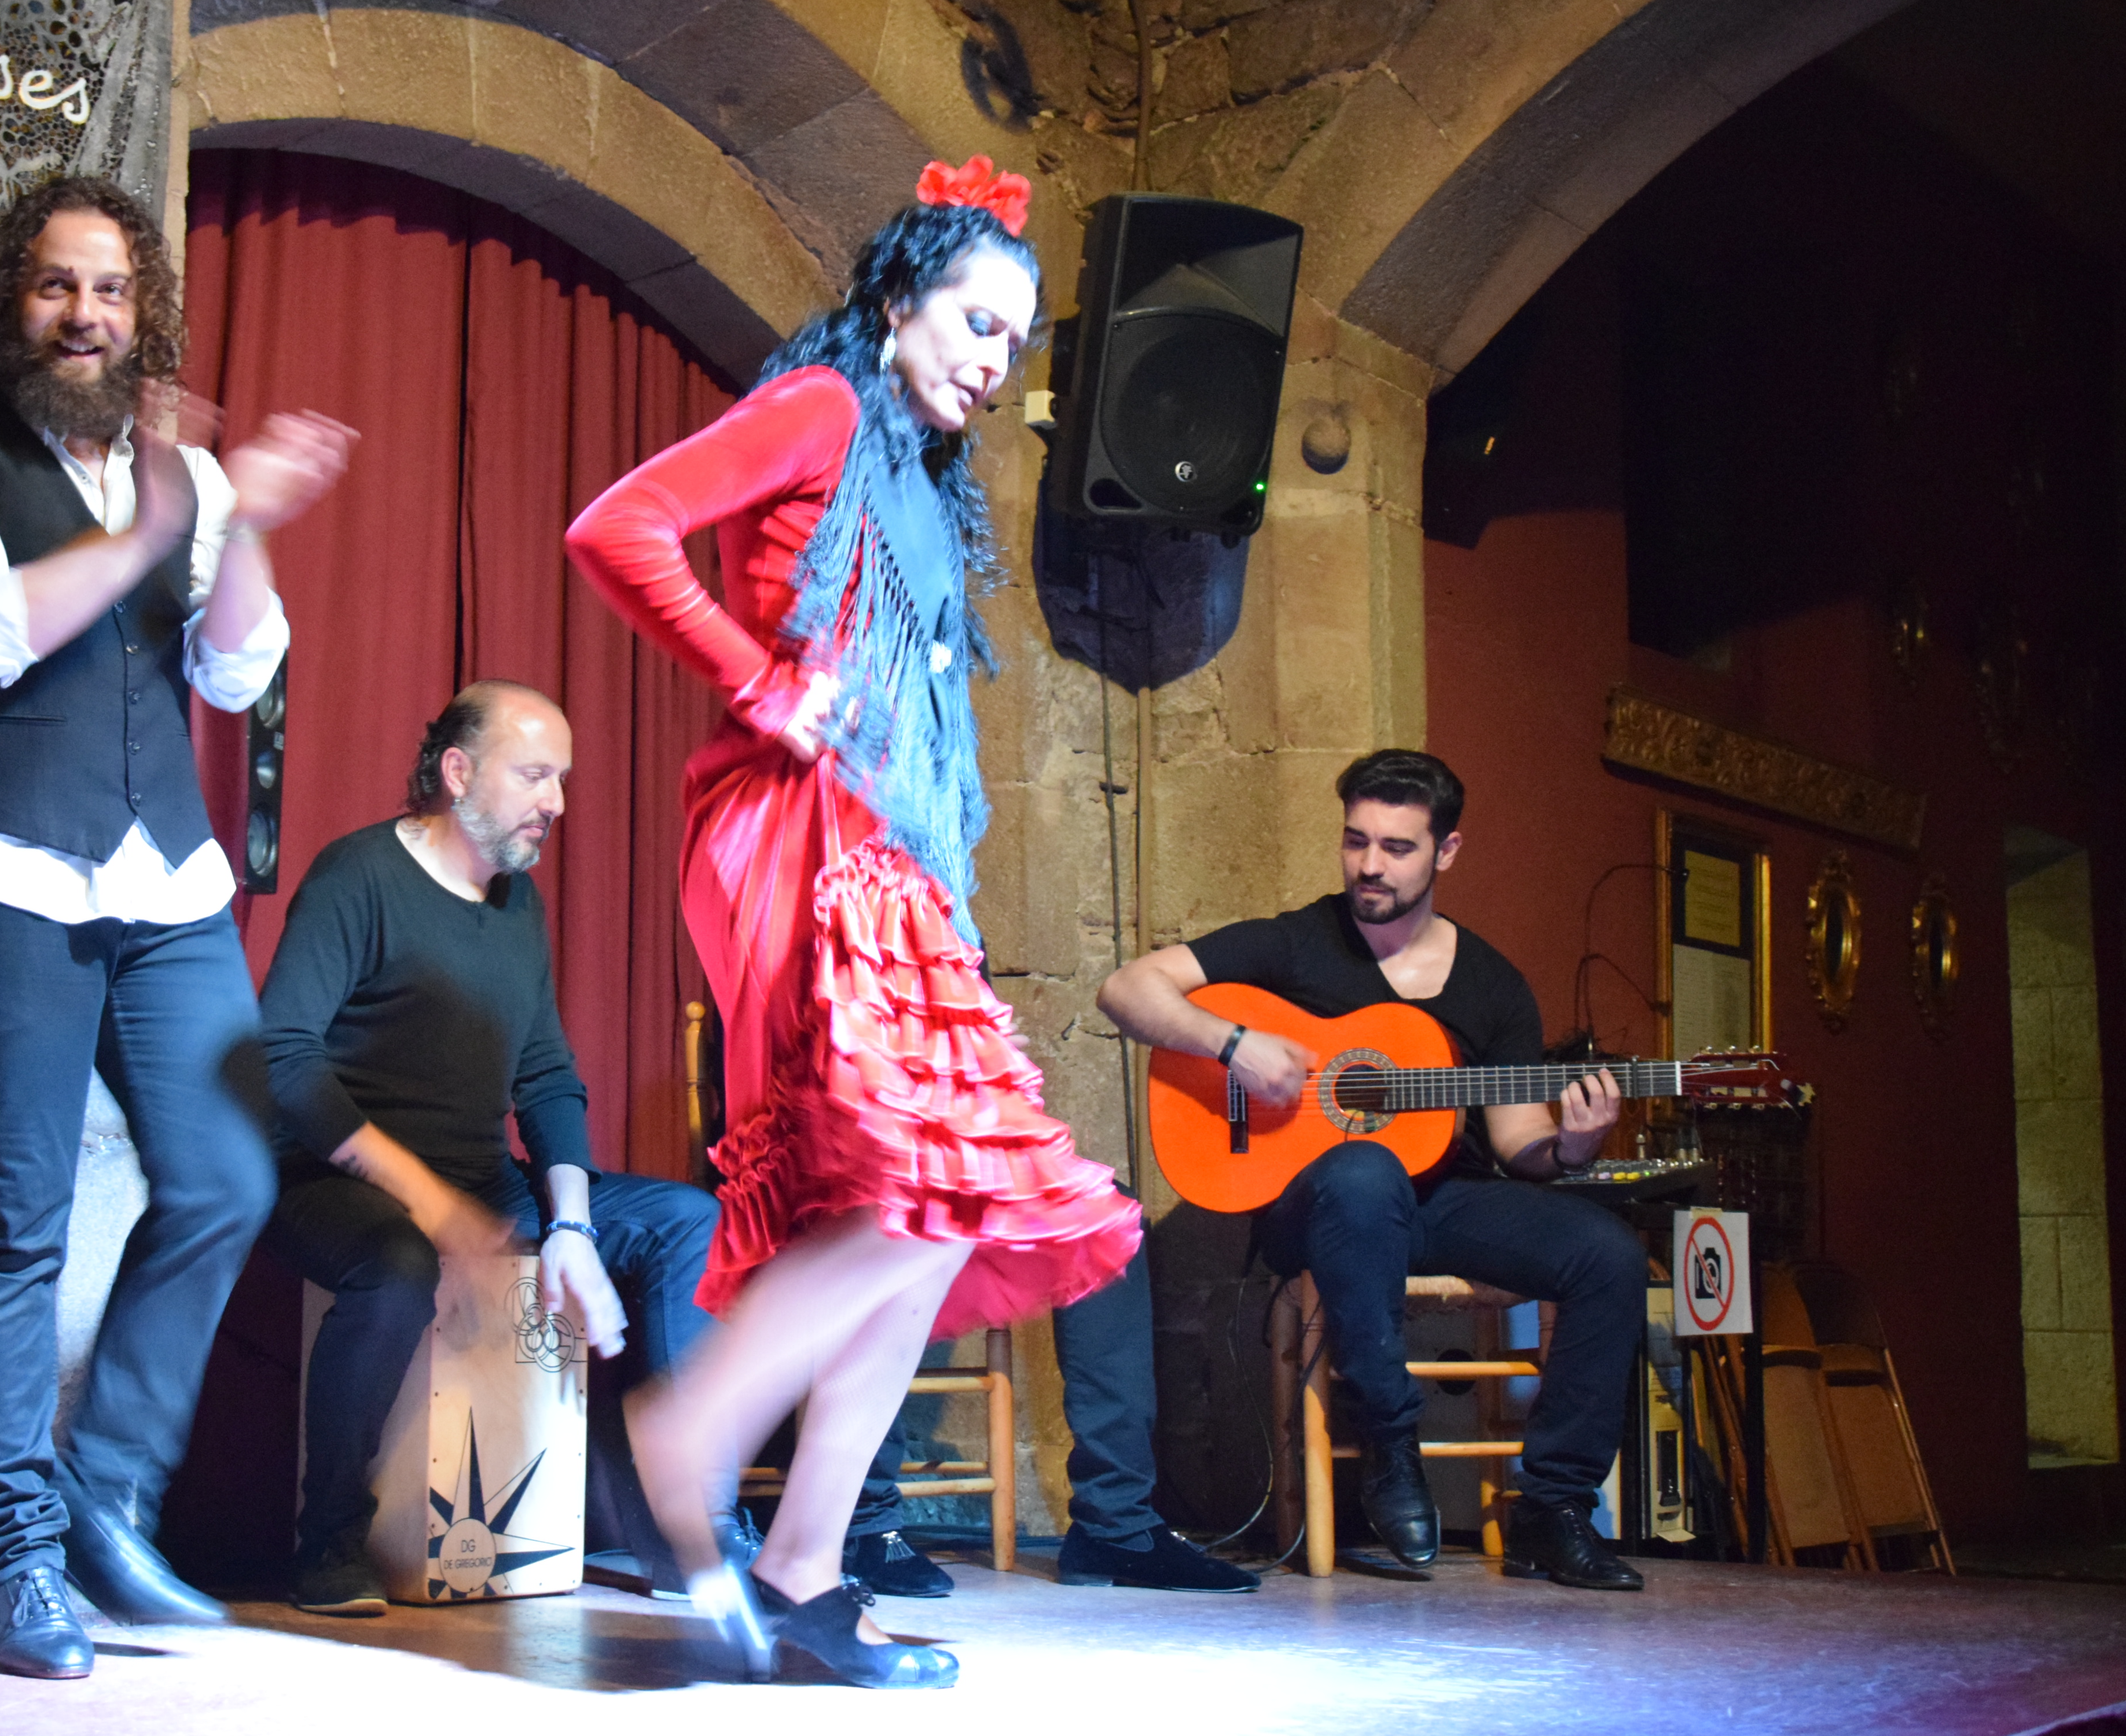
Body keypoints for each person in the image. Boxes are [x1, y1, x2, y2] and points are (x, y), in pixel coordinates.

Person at [564, 156, 1141, 1687]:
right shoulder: (822, 409)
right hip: (795, 835)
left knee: (938, 1216)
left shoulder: (923, 477)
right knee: (903, 1194)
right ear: (897, 301)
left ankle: (805, 1572)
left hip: (888, 848)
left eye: (1014, 341)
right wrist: (757, 681)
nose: (992, 360)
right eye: (974, 321)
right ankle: (685, 1440)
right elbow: (618, 527)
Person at [0, 175, 354, 1679]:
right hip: (8, 876)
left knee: (227, 1175)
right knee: (15, 1224)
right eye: (57, 286)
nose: (86, 316)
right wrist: (152, 528)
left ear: (144, 312)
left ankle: (106, 1497)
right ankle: (9, 1555)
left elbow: (235, 672)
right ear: (12, 302)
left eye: (112, 291)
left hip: (169, 888)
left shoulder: (179, 474)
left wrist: (236, 520)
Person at [1097, 750, 1649, 1591]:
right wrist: (1233, 1044)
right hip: (1318, 1206)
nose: (1369, 865)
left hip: (1442, 1202)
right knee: (1362, 1170)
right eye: (1356, 841)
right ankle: (1392, 1446)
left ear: (1446, 852)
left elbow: (1521, 1146)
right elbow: (1126, 989)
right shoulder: (1296, 942)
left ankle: (1554, 1508)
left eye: (1396, 847)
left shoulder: (1491, 984)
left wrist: (1575, 1144)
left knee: (1607, 1254)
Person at [258, 681, 723, 1616]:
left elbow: (546, 1075)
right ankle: (330, 1546)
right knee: (396, 1262)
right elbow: (283, 1057)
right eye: (535, 775)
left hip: (482, 1182)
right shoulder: (358, 876)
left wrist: (573, 1227)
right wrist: (432, 1206)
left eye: (562, 780)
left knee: (682, 1221)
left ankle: (683, 1533)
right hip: (335, 1181)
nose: (556, 802)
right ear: (458, 771)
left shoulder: (519, 905)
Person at [846, 1242, 1261, 1597]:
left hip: (993, 1201)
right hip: (917, 1198)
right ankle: (862, 1520)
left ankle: (1116, 1526)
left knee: (1104, 1217)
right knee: (872, 1201)